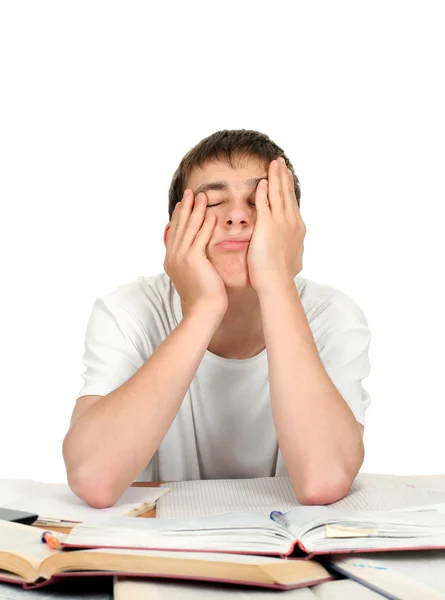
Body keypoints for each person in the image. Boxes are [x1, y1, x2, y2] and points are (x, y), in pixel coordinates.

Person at [62, 129, 371, 508]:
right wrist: (204, 308)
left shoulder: (333, 315)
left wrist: (275, 280)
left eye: (261, 201)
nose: (238, 216)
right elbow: (93, 479)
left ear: (292, 229)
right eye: (212, 202)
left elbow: (323, 481)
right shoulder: (128, 310)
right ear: (173, 234)